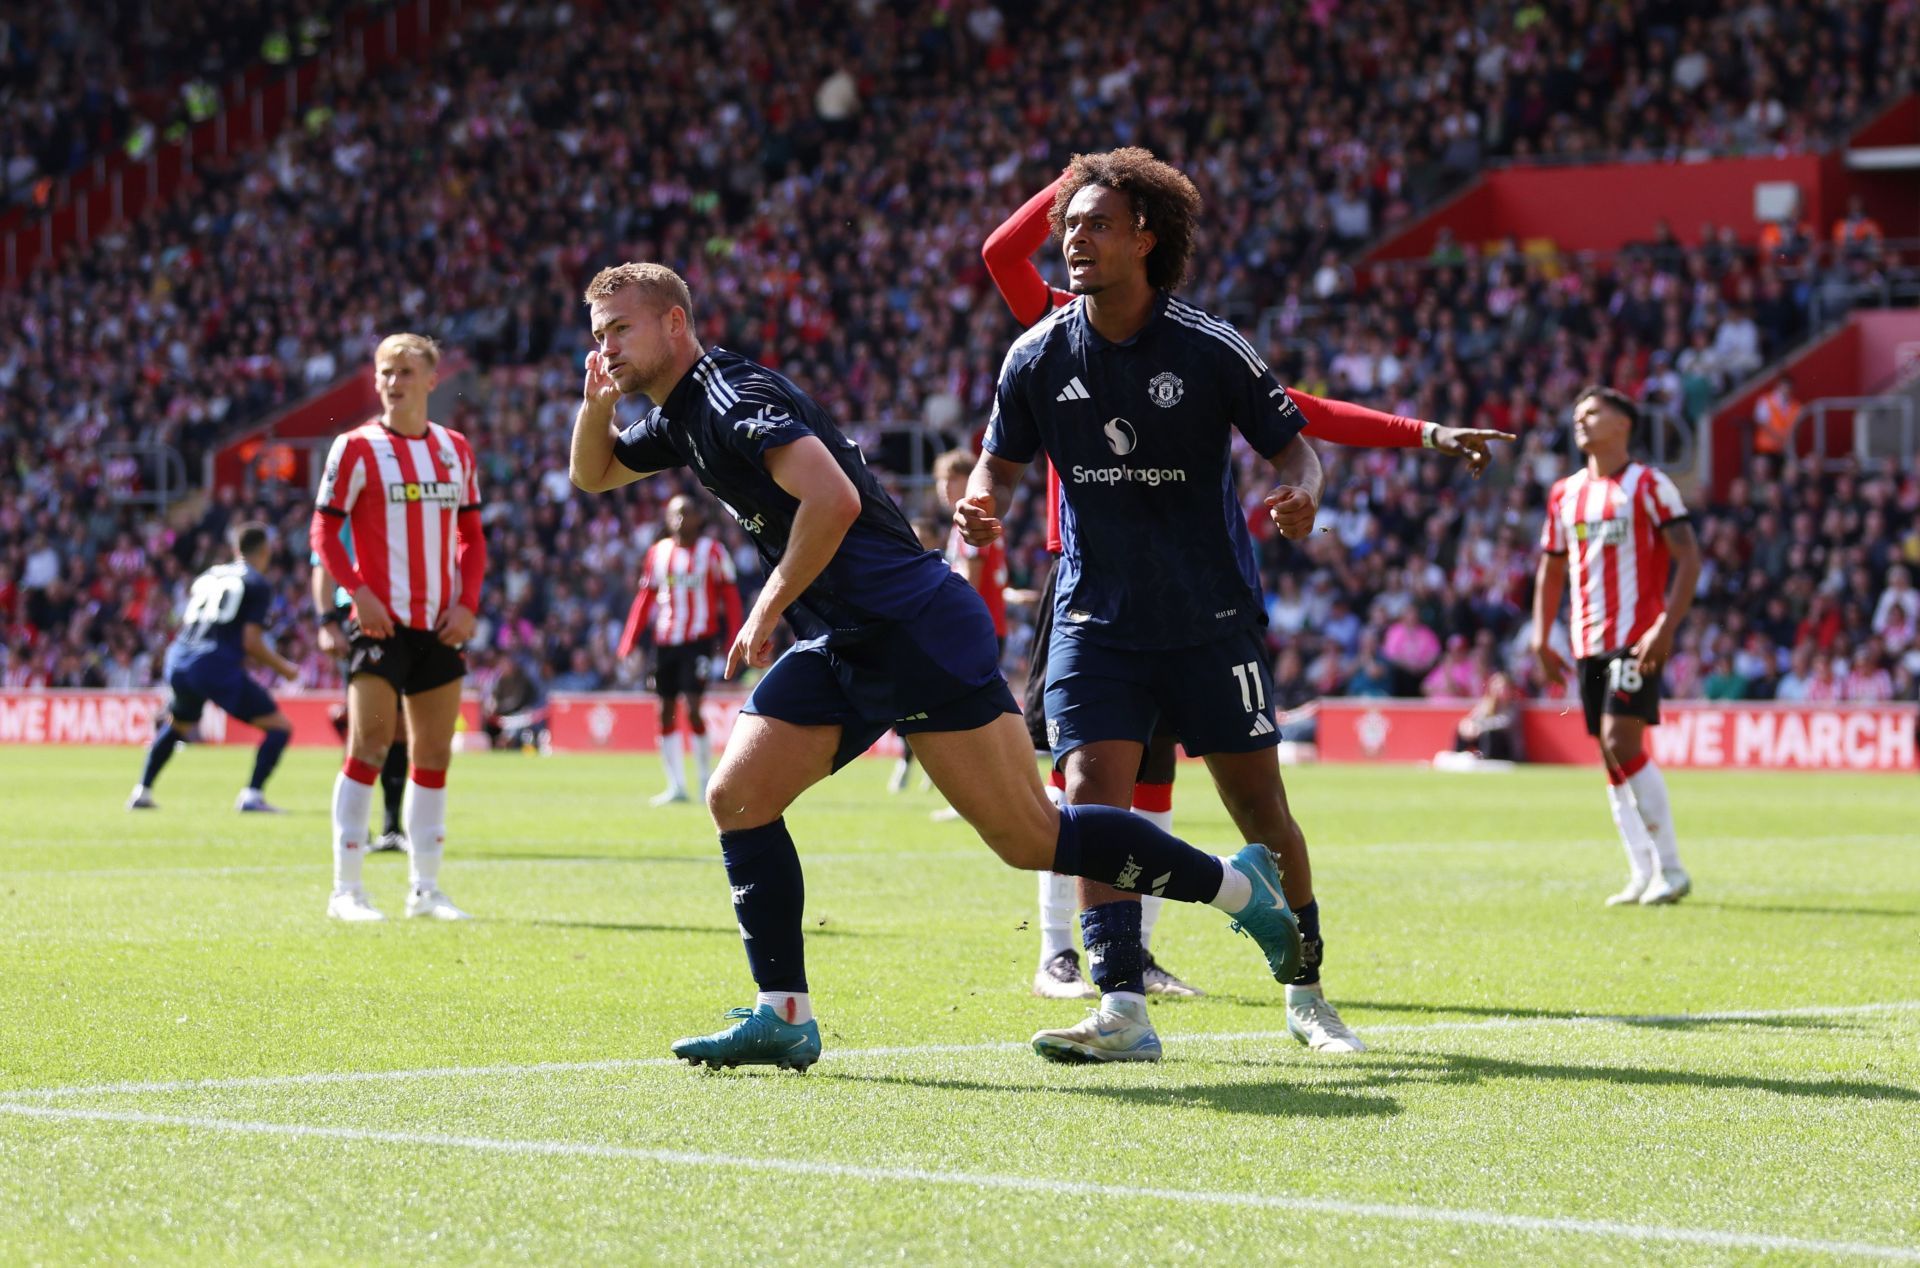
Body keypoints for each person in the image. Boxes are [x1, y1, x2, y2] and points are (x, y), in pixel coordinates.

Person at [570, 262, 1307, 1071]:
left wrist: (769, 603)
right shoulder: (680, 414)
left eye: (622, 329)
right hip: (848, 639)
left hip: (913, 625)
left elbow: (833, 502)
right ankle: (782, 1013)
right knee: (737, 796)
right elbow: (595, 471)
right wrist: (595, 406)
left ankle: (1242, 890)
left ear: (675, 324)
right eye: (599, 333)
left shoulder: (730, 396)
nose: (608, 346)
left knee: (1032, 838)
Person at [981, 164, 1508, 1009]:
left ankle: (1231, 970)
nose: (1075, 239)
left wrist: (1422, 435)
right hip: (1084, 595)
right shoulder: (1042, 337)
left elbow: (1302, 418)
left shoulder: (1202, 347)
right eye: (1070, 227)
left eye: (1099, 224)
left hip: (1203, 604)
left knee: (1205, 795)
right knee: (1083, 786)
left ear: (1147, 238)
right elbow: (998, 260)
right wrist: (1077, 178)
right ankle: (1079, 968)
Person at [309, 333, 487, 922]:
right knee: (368, 745)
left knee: (434, 752)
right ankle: (346, 890)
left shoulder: (455, 449)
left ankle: (425, 889)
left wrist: (468, 605)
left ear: (432, 379)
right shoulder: (355, 448)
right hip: (380, 624)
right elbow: (322, 533)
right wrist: (357, 596)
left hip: (438, 624)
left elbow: (472, 537)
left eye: (406, 371)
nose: (394, 381)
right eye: (386, 371)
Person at [1531, 385, 1702, 907]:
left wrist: (1665, 627)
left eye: (1594, 412)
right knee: (1609, 754)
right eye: (1577, 413)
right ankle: (1642, 871)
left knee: (1620, 740)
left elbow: (1689, 558)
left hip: (1636, 638)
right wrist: (1542, 634)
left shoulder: (1650, 485)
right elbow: (1551, 567)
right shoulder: (1566, 492)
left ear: (1624, 424)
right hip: (1587, 641)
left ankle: (1671, 868)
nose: (1581, 420)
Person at [128, 522, 297, 813]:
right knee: (279, 727)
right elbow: (251, 642)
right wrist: (284, 669)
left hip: (179, 658)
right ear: (265, 551)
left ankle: (141, 790)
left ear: (235, 549)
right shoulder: (256, 583)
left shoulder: (210, 573)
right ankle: (252, 795)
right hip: (212, 664)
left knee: (179, 723)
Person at [617, 493, 742, 804]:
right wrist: (629, 640)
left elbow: (731, 598)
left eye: (686, 513)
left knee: (694, 707)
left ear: (699, 518)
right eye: (675, 514)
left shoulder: (713, 552)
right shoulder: (658, 553)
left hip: (698, 640)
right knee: (665, 712)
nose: (680, 519)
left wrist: (734, 639)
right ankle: (676, 786)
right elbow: (645, 599)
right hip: (666, 641)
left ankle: (704, 781)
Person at [314, 545, 410, 852]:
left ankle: (391, 827)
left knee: (398, 726)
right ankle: (352, 830)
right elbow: (323, 560)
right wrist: (328, 622)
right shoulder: (344, 506)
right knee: (367, 729)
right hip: (359, 621)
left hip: (408, 618)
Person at [1452, 671, 1522, 761]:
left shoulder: (1513, 706)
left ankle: (1486, 760)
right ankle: (1457, 757)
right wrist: (1467, 726)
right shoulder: (1486, 704)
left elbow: (1504, 723)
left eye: (1503, 687)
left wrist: (1479, 727)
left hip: (1506, 749)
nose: (1499, 689)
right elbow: (1472, 719)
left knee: (1490, 733)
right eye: (1496, 686)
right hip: (1482, 739)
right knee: (1464, 729)